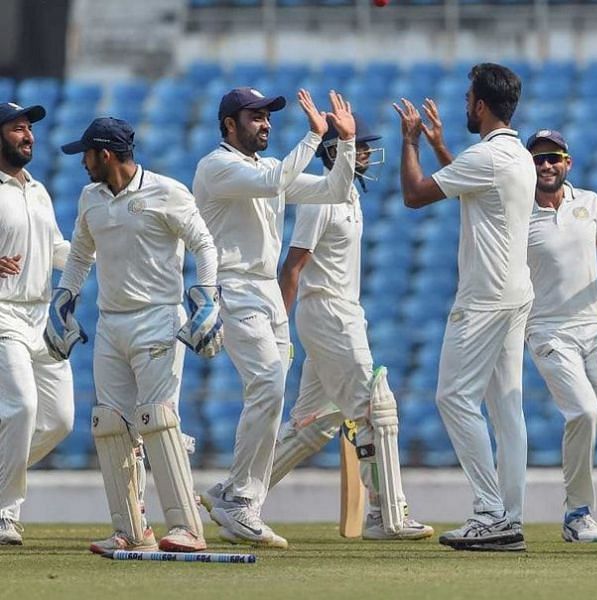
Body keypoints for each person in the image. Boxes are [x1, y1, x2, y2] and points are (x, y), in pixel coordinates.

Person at [45, 117, 221, 555]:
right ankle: (131, 530)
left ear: (105, 154)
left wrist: (208, 297)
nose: (82, 163)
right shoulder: (91, 198)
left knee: (157, 419)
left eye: (86, 154)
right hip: (111, 324)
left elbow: (203, 243)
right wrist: (63, 299)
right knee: (110, 425)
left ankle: (186, 528)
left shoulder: (167, 191)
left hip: (158, 319)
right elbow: (81, 254)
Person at [194, 87, 356, 549]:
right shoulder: (216, 166)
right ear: (230, 124)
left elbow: (334, 189)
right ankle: (240, 502)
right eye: (255, 117)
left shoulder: (267, 167)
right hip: (232, 285)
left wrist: (343, 144)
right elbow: (277, 181)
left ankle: (232, 493)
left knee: (273, 388)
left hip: (265, 288)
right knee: (267, 381)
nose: (265, 124)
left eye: (267, 117)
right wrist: (314, 135)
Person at [393, 63, 534, 551]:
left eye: (468, 97)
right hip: (515, 294)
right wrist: (438, 147)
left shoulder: (489, 157)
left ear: (480, 105)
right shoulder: (514, 155)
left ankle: (491, 513)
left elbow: (414, 195)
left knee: (453, 398)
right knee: (506, 410)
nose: (463, 104)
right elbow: (474, 186)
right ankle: (509, 517)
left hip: (485, 298)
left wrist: (410, 141)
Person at [271, 115, 433, 540]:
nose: (365, 153)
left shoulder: (347, 196)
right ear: (334, 152)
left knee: (316, 420)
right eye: (358, 146)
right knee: (373, 409)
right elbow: (293, 267)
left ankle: (238, 494)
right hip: (327, 312)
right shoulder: (321, 198)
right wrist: (277, 329)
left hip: (342, 312)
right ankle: (386, 515)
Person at [523, 129, 597, 543]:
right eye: (537, 159)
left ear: (568, 162)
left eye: (553, 157)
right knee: (585, 412)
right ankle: (577, 513)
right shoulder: (519, 213)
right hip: (548, 330)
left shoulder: (590, 203)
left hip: (594, 326)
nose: (546, 165)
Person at [0, 102, 73, 545]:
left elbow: (58, 249)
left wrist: (102, 248)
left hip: (41, 317)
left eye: (29, 129)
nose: (28, 136)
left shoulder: (39, 190)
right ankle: (5, 512)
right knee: (23, 408)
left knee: (60, 420)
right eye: (16, 129)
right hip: (3, 311)